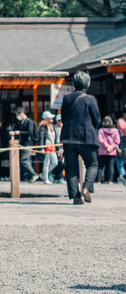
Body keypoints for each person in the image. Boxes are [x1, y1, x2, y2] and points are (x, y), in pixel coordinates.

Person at [60, 70, 101, 204]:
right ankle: (86, 188)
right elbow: (97, 119)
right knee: (93, 164)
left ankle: (76, 197)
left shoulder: (66, 98)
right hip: (86, 136)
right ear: (87, 84)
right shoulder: (90, 99)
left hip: (68, 137)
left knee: (71, 167)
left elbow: (63, 118)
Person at [8, 107, 38, 182]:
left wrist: (20, 132)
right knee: (26, 160)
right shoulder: (22, 122)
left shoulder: (29, 122)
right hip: (22, 143)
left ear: (21, 113)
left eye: (17, 114)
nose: (16, 116)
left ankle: (33, 174)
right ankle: (28, 176)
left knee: (24, 160)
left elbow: (30, 132)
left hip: (28, 143)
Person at [97, 116, 120, 183]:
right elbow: (118, 141)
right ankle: (110, 180)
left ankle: (98, 180)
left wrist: (107, 146)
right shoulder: (115, 130)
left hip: (102, 150)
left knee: (101, 166)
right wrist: (112, 146)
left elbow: (100, 140)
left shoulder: (101, 130)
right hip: (112, 151)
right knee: (110, 166)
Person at [38, 111, 59, 184]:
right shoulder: (43, 126)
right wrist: (42, 148)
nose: (52, 118)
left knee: (55, 162)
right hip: (46, 146)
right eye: (50, 117)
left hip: (52, 146)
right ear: (46, 118)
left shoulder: (51, 126)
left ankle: (44, 174)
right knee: (46, 163)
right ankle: (46, 178)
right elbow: (41, 137)